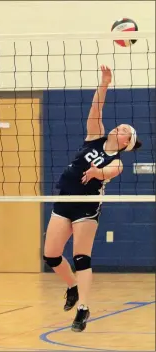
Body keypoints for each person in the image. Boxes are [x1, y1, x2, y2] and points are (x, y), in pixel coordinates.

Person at [43, 65, 142, 333]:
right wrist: (104, 83)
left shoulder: (117, 162)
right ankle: (73, 287)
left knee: (81, 257)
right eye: (121, 125)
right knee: (51, 255)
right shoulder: (94, 136)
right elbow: (96, 109)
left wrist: (98, 171)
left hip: (87, 207)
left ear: (125, 143)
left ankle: (83, 309)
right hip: (65, 200)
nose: (119, 127)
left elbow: (108, 172)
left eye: (125, 130)